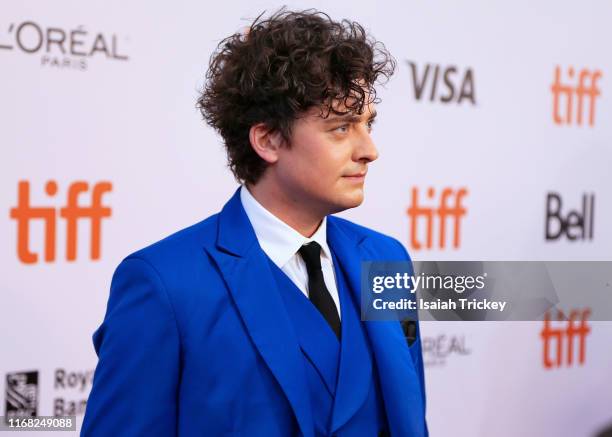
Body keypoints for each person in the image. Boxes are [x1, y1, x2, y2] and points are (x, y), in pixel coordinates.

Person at [81, 9, 427, 437]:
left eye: (367, 124)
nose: (369, 149)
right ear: (267, 140)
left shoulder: (386, 258)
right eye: (341, 127)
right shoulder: (165, 284)